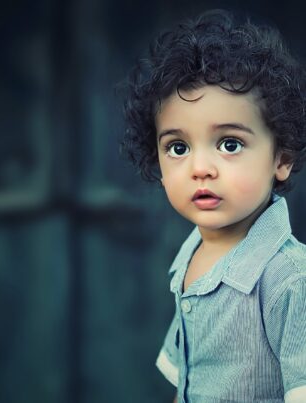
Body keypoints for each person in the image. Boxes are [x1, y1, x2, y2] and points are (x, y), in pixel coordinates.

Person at [122, 9, 306, 403]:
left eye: (230, 144)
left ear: (282, 158)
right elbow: (190, 376)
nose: (200, 168)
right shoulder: (191, 256)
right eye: (178, 147)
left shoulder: (290, 280)